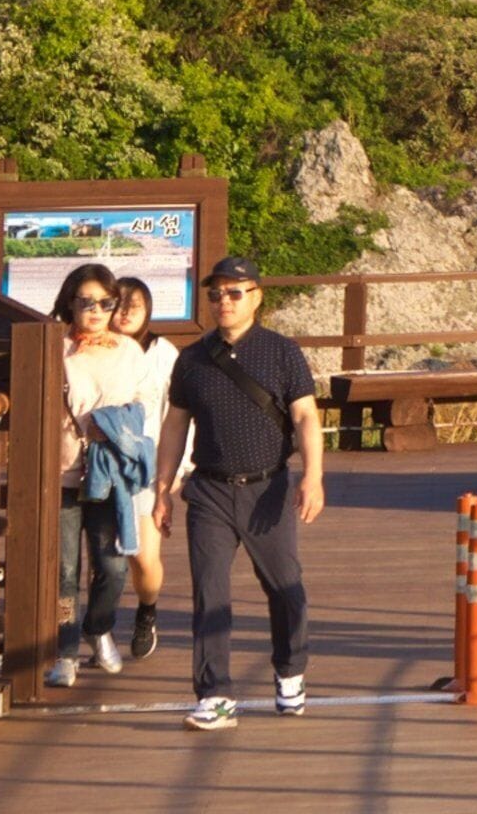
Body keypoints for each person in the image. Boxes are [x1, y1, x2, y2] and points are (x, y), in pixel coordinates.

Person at [153, 255, 323, 731]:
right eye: (215, 294)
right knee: (209, 590)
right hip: (209, 489)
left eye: (233, 292)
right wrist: (162, 489)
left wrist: (313, 476)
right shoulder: (192, 359)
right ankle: (215, 695)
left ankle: (290, 673)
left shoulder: (282, 352)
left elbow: (305, 416)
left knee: (285, 587)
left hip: (268, 487)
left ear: (256, 297)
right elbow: (174, 425)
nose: (223, 301)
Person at [46, 264, 154, 688]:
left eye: (105, 303)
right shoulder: (55, 345)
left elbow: (145, 403)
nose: (95, 310)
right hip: (61, 472)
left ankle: (99, 626)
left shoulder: (129, 350)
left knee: (113, 565)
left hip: (110, 474)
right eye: (86, 302)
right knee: (65, 572)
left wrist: (113, 424)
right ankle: (65, 650)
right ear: (69, 302)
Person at [112, 277, 180, 661]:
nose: (124, 313)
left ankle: (147, 611)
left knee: (142, 555)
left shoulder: (163, 353)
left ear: (147, 311)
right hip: (100, 466)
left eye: (133, 306)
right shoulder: (94, 348)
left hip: (147, 468)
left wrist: (177, 471)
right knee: (104, 557)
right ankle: (99, 627)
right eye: (117, 304)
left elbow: (179, 415)